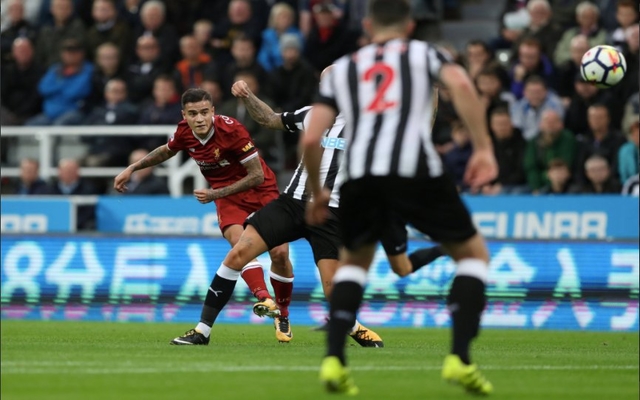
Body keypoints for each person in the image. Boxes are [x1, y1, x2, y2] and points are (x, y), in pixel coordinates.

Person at [302, 0, 496, 395]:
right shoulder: (424, 53)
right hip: (416, 169)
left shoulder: (347, 67)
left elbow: (310, 135)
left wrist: (318, 190)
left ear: (369, 25)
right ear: (409, 25)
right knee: (474, 257)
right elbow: (461, 86)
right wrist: (482, 147)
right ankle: (460, 358)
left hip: (359, 175)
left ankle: (334, 361)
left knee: (354, 264)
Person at [168, 69, 444, 346]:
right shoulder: (313, 114)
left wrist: (431, 94)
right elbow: (269, 119)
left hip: (333, 213)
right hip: (293, 203)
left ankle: (352, 324)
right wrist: (248, 96)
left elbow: (420, 133)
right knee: (237, 254)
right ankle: (202, 331)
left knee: (332, 289)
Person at [114, 88, 292, 330]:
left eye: (204, 112)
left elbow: (257, 176)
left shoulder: (232, 130)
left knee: (280, 254)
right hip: (228, 197)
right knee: (240, 245)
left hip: (260, 191)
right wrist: (132, 168)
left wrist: (213, 194)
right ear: (184, 115)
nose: (199, 119)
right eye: (193, 113)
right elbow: (167, 150)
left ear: (213, 112)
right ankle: (264, 299)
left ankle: (283, 314)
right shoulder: (184, 132)